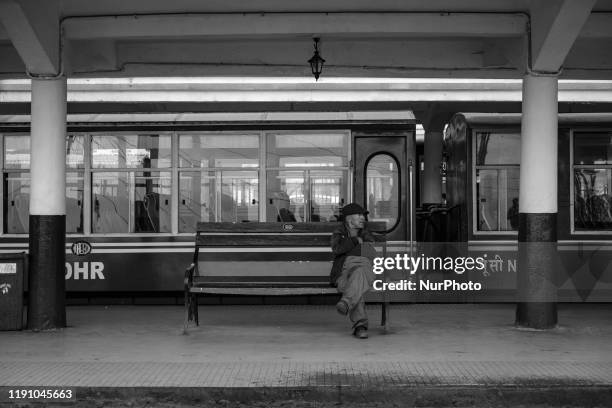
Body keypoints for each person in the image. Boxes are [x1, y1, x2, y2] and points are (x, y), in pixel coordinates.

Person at [330, 203, 379, 339]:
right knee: (357, 285)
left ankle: (346, 302)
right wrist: (356, 241)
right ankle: (360, 326)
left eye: (363, 215)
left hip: (363, 270)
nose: (363, 218)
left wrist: (354, 247)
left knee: (360, 271)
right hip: (344, 274)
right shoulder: (339, 232)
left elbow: (371, 252)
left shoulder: (366, 233)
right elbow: (337, 249)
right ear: (348, 218)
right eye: (359, 215)